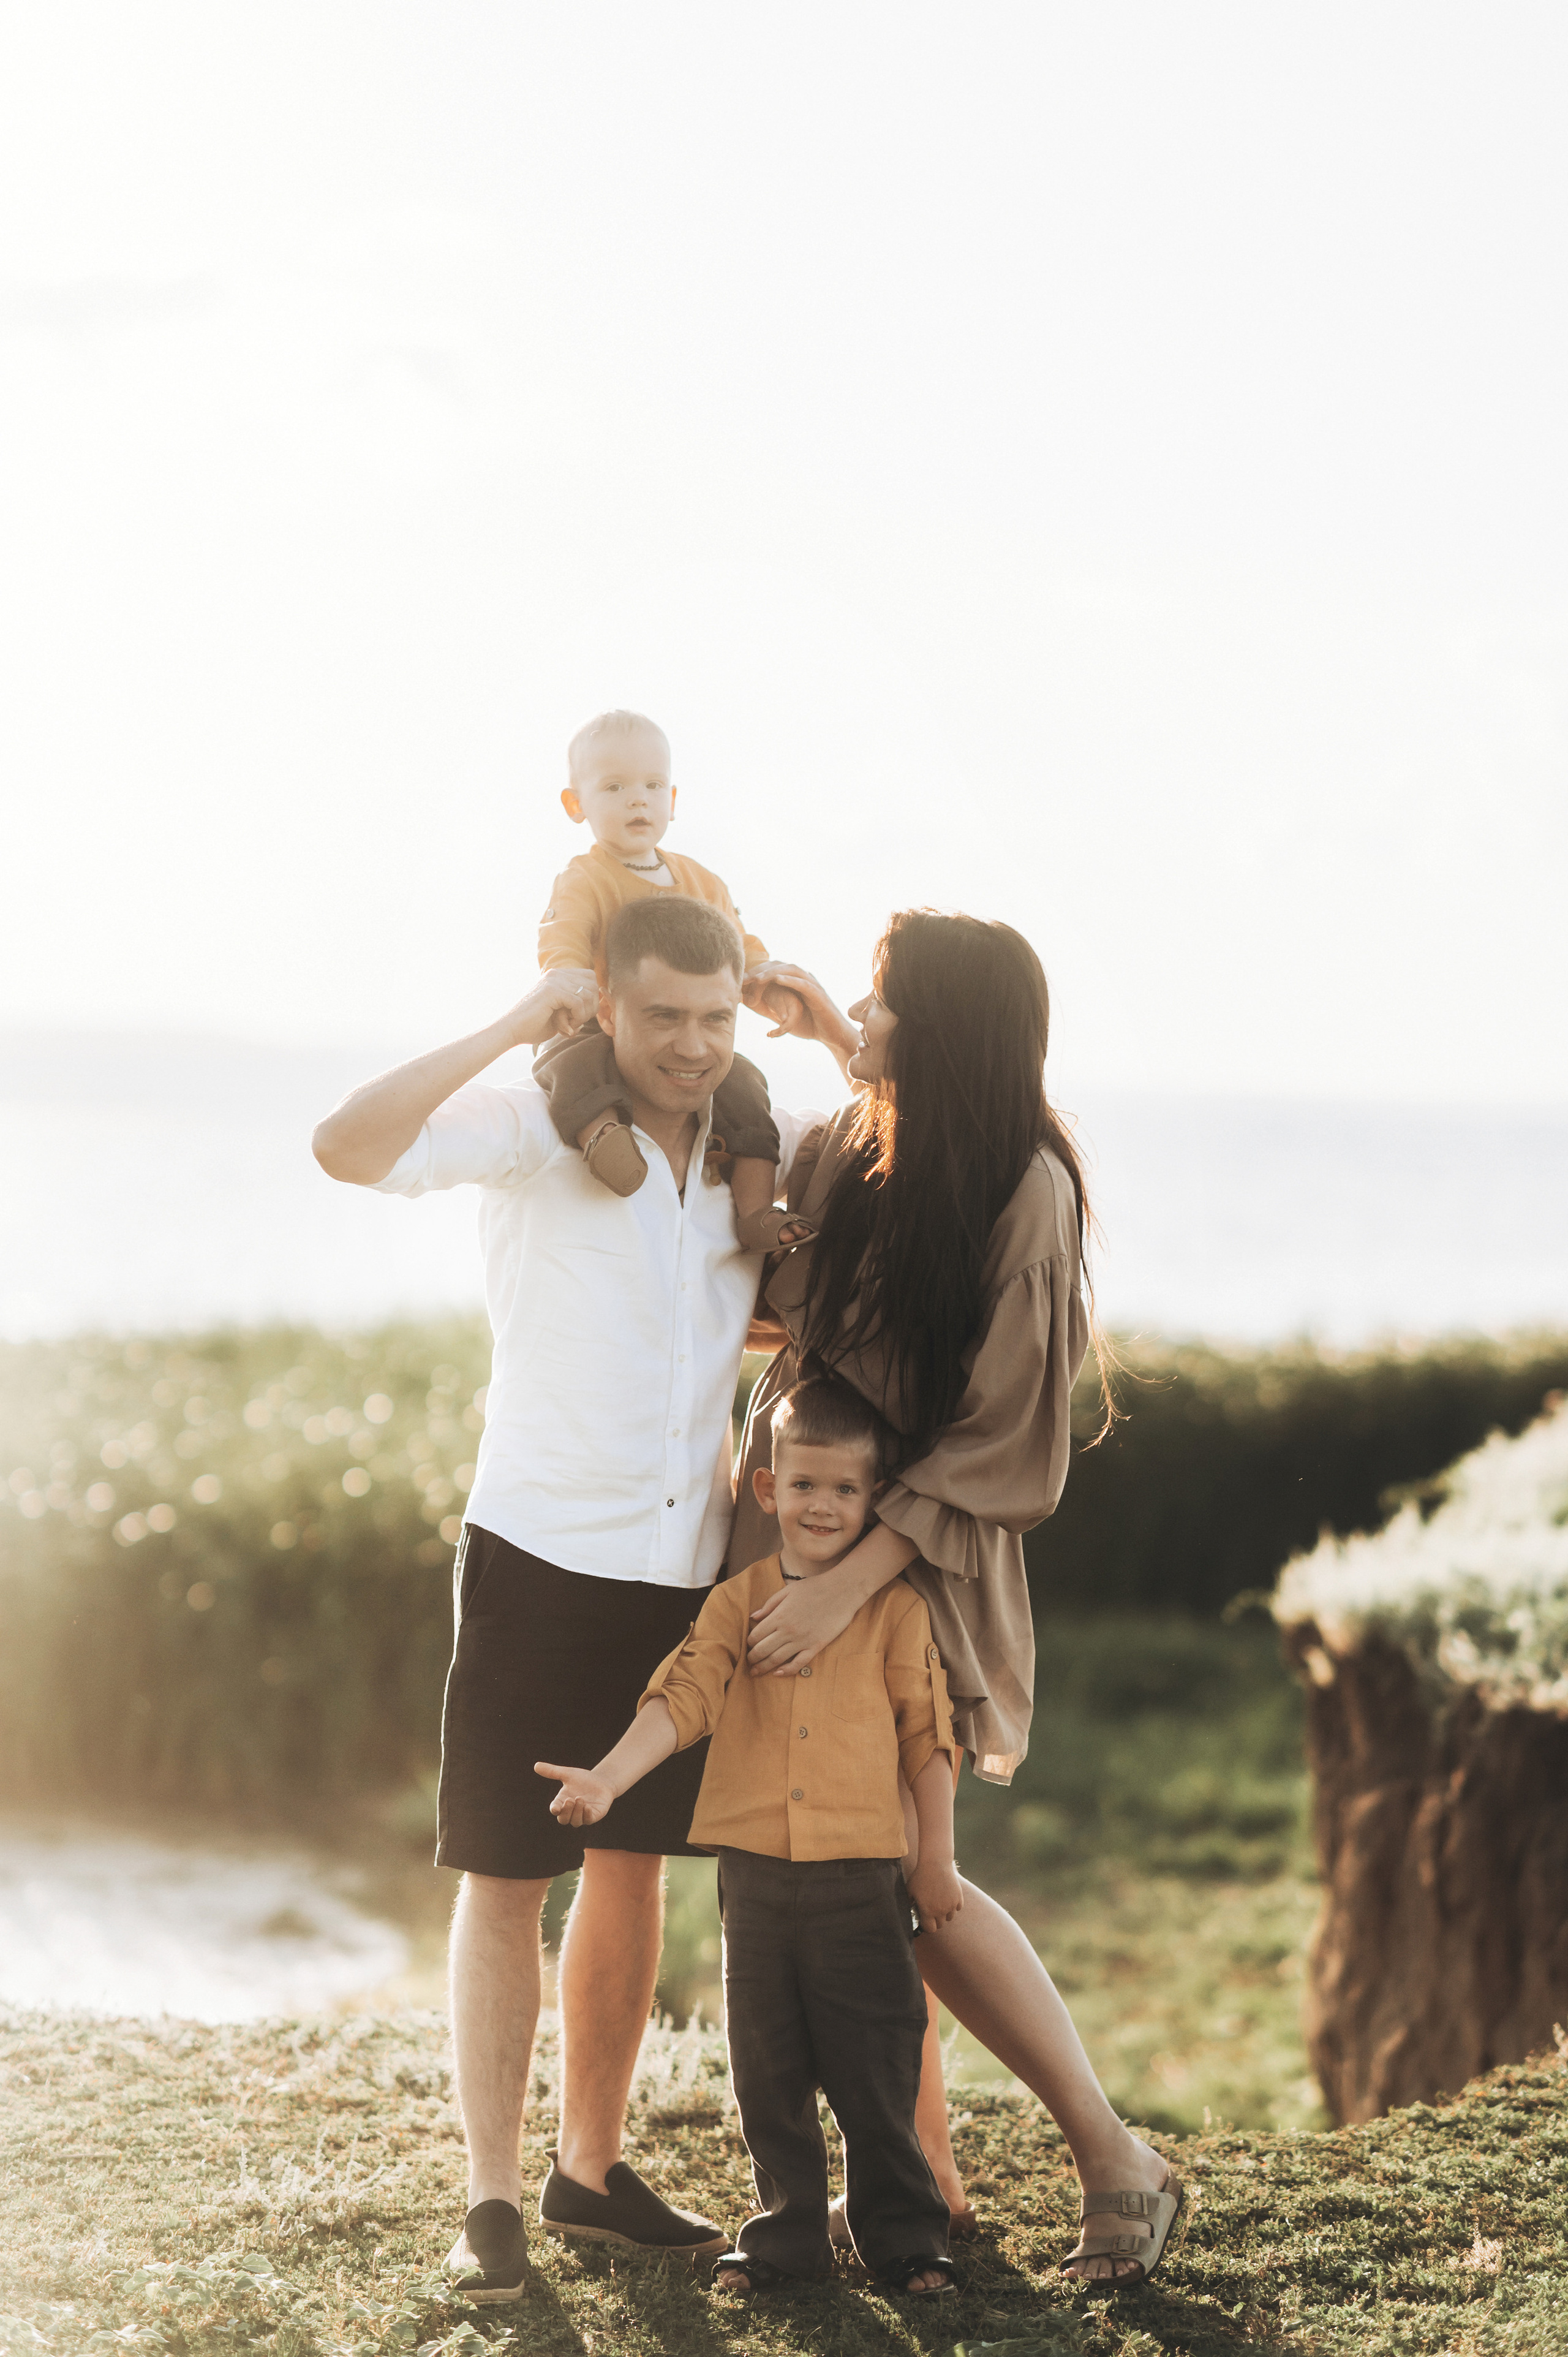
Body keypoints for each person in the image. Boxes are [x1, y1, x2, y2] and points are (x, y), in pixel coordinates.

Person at [310, 893, 824, 2303]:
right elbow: (344, 1145)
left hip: (683, 1567)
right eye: (661, 1016)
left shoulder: (750, 1150)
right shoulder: (537, 1123)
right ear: (603, 1003)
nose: (691, 1044)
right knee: (504, 1874)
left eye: (714, 1018)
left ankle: (587, 2173)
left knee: (633, 1866)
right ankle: (490, 2202)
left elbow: (880, 1174)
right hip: (537, 1552)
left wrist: (831, 1029)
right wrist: (506, 1024)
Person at [725, 909, 1185, 2291]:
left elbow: (1003, 1449)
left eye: (881, 1002)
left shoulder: (1024, 1191)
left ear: (946, 1028)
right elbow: (790, 1295)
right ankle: (921, 2183)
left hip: (911, 1566)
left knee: (911, 1882)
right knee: (865, 1884)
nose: (860, 1016)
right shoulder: (865, 1147)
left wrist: (847, 1590)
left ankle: (1113, 2155)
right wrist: (826, 1037)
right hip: (819, 1552)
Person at [538, 1375, 960, 2303]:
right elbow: (682, 1695)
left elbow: (928, 1737)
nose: (823, 1505)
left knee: (877, 2067)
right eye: (804, 1484)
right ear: (767, 1488)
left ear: (875, 1499)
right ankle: (784, 2241)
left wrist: (935, 1858)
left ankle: (906, 2241)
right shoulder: (736, 1602)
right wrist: (608, 1777)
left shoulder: (896, 1610)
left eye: (845, 1489)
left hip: (862, 1879)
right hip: (757, 1883)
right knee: (768, 2071)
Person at [531, 707, 814, 1250]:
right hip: (601, 1022)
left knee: (746, 1085)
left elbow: (738, 945)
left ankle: (756, 1211)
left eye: (653, 785)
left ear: (673, 800)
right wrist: (568, 979)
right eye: (614, 786)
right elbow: (562, 940)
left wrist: (767, 980)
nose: (638, 800)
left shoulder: (703, 881)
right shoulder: (584, 879)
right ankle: (603, 1137)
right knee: (568, 1062)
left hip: (676, 1029)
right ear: (575, 804)